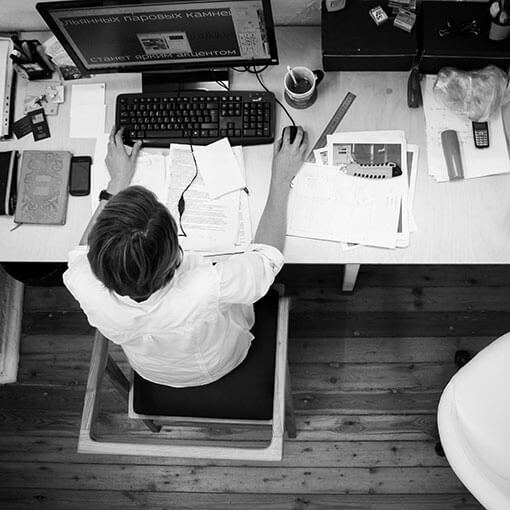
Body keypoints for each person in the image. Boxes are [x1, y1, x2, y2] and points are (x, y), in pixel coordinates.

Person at [63, 126, 307, 387]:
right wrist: (281, 178)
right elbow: (266, 259)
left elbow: (82, 251)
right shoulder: (205, 287)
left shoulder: (80, 280)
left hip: (151, 369)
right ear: (174, 254)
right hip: (219, 362)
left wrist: (116, 183)